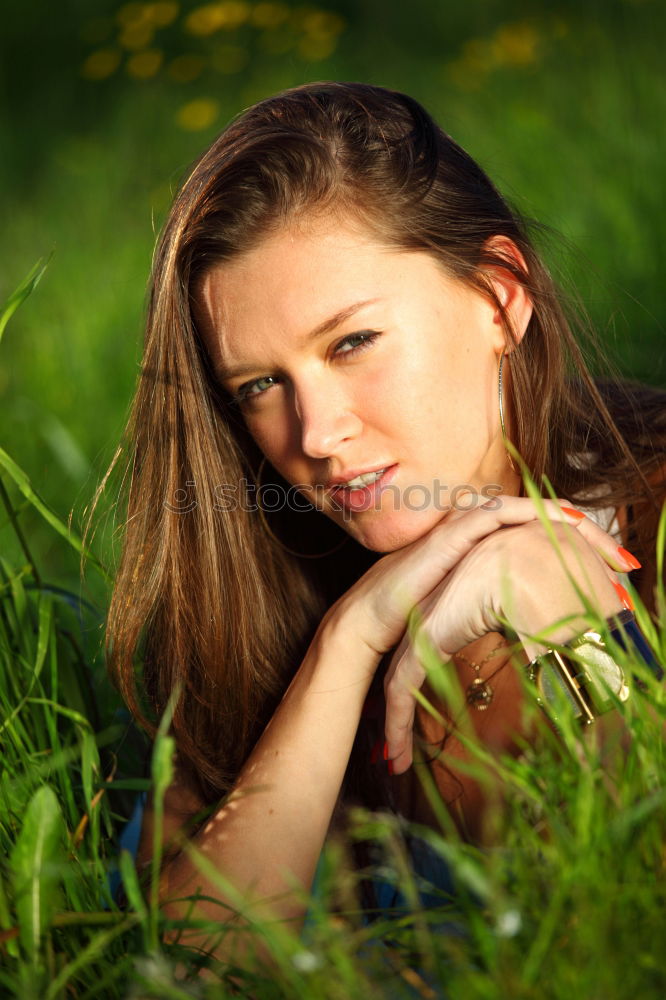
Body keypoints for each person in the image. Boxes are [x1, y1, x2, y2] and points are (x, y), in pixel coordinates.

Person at [103, 82, 665, 957]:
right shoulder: (248, 608)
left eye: (352, 344)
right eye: (260, 386)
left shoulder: (655, 510)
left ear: (499, 296)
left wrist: (587, 643)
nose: (317, 435)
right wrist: (347, 640)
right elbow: (186, 966)